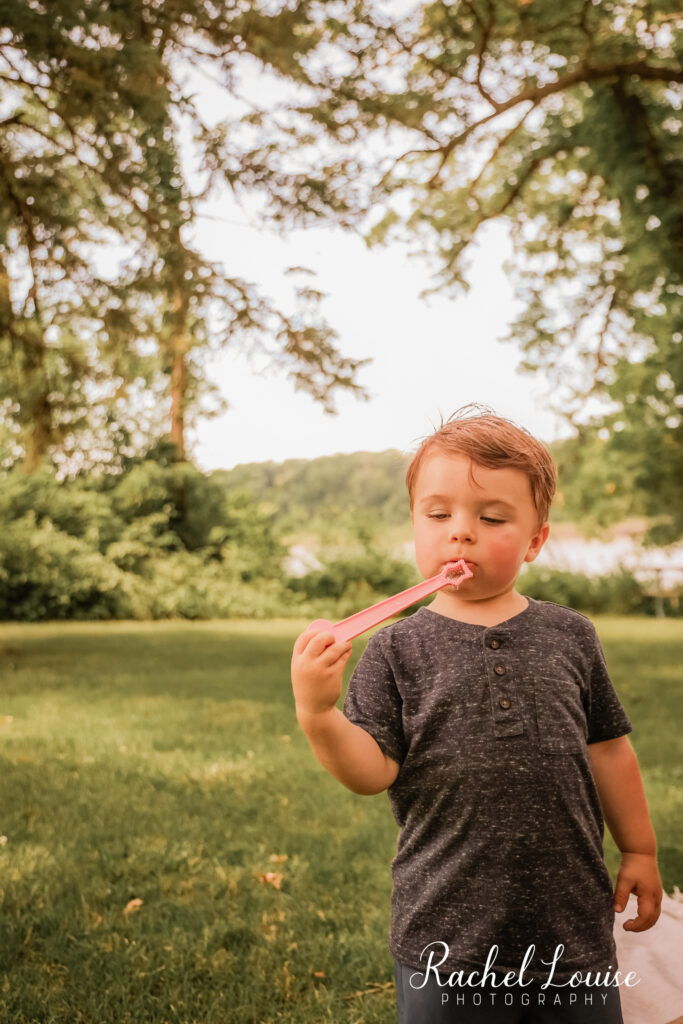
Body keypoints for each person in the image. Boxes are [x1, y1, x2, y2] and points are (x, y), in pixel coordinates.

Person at [290, 406, 663, 1023]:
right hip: (445, 933)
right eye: (438, 515)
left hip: (571, 925)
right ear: (414, 524)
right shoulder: (394, 648)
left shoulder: (570, 634)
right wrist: (318, 713)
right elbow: (371, 771)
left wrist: (640, 850)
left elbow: (608, 747)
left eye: (490, 518)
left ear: (535, 540)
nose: (458, 533)